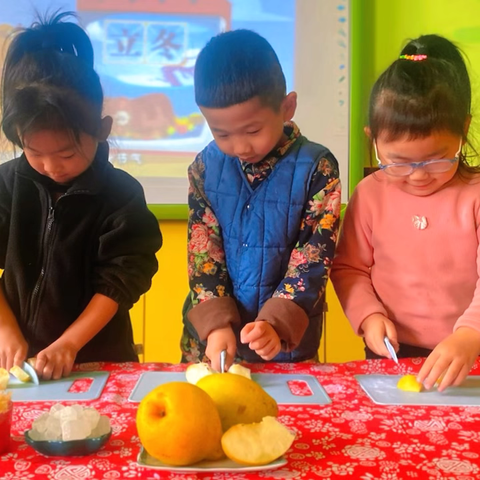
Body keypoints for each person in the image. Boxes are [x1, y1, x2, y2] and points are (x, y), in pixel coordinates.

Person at [0, 13, 162, 380]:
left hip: (98, 361)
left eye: (67, 154)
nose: (51, 166)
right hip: (16, 365)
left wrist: (69, 343)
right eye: (33, 151)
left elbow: (120, 282)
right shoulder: (7, 184)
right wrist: (5, 328)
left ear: (102, 130)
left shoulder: (120, 195)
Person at [181, 29, 341, 372]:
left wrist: (277, 322)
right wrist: (216, 324)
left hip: (284, 344)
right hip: (214, 341)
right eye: (221, 133)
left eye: (252, 131)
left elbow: (314, 256)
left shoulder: (317, 167)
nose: (239, 147)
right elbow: (203, 253)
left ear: (287, 107)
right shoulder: (204, 168)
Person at [330, 34, 480, 392]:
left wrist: (470, 335)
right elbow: (349, 268)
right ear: (374, 139)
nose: (418, 175)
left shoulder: (474, 196)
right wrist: (369, 317)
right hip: (392, 354)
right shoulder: (369, 195)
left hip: (468, 353)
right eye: (398, 162)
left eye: (438, 157)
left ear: (464, 129)